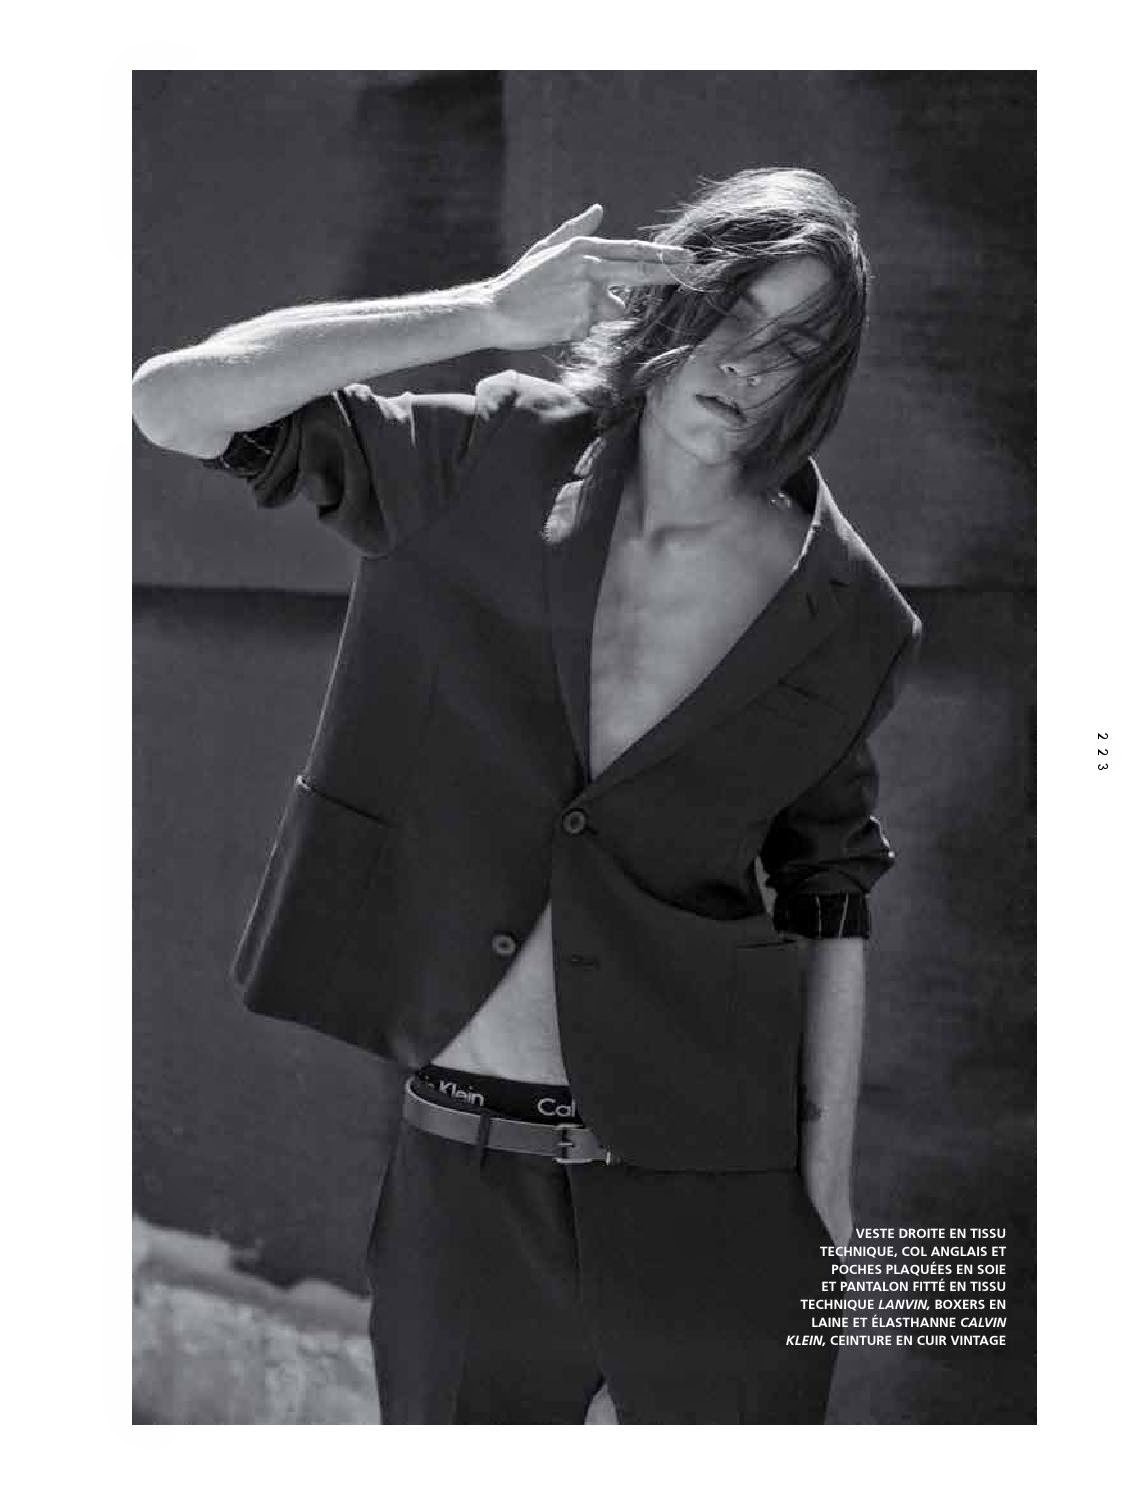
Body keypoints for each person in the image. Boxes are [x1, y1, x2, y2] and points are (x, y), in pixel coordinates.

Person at [133, 166, 923, 1424]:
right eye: (731, 316)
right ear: (665, 302)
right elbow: (172, 403)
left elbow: (829, 889)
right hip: (467, 1174)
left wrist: (824, 1184)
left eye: (796, 348)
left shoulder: (845, 610)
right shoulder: (484, 456)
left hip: (719, 1184)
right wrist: (485, 311)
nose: (748, 368)